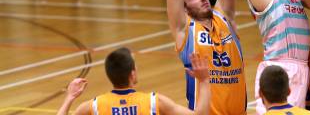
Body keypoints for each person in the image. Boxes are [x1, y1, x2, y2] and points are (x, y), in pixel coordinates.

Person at [57, 48, 210, 115]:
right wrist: (203, 81)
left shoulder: (94, 106)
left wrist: (70, 98)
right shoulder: (155, 102)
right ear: (132, 74)